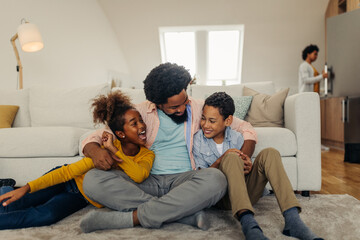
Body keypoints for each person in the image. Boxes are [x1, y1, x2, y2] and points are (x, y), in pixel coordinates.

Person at [79, 63, 257, 232]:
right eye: (174, 107)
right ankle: (181, 213)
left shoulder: (199, 107)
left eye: (184, 101)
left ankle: (132, 218)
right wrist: (95, 150)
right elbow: (95, 136)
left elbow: (245, 128)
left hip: (187, 180)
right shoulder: (141, 111)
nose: (182, 108)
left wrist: (245, 156)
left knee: (216, 179)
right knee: (93, 179)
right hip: (146, 181)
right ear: (158, 103)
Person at [0, 91, 154, 230]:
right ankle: (6, 188)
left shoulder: (146, 155)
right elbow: (67, 172)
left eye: (141, 120)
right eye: (135, 123)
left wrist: (115, 152)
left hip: (80, 196)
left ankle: (7, 188)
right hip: (67, 180)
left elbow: (139, 175)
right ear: (121, 133)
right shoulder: (104, 151)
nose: (143, 125)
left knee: (47, 215)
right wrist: (26, 187)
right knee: (12, 204)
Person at [193, 92, 323, 240]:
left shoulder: (237, 137)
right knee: (230, 157)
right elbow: (201, 178)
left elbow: (241, 170)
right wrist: (221, 160)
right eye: (203, 118)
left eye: (212, 120)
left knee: (270, 153)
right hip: (220, 197)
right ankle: (250, 226)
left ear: (228, 121)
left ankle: (293, 220)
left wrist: (247, 165)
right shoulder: (198, 140)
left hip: (245, 193)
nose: (205, 124)